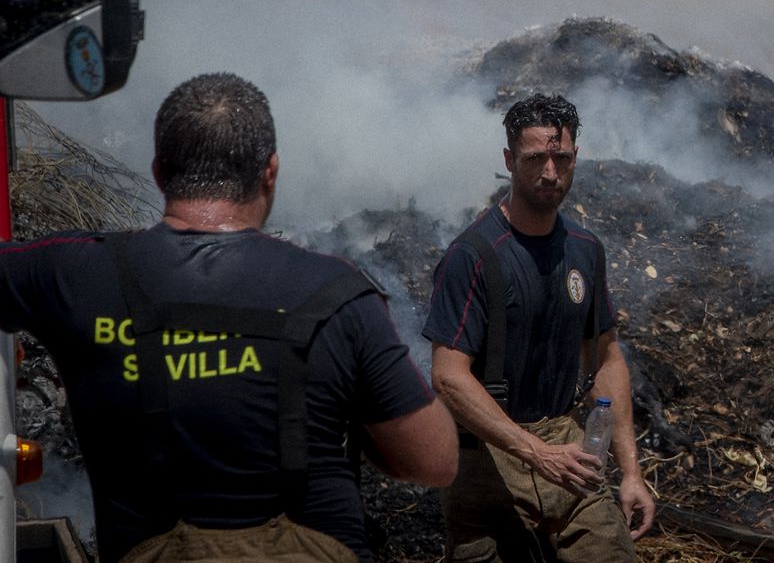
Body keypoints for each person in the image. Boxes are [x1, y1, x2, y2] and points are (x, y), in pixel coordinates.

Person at [0, 72, 457, 563]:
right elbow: (433, 462)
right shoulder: (337, 292)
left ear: (158, 171)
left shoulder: (74, 272)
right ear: (270, 171)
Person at [425, 93, 655, 563]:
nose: (550, 173)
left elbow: (606, 358)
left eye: (562, 158)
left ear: (575, 158)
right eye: (534, 159)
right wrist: (532, 450)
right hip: (487, 456)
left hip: (567, 449)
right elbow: (449, 377)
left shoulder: (585, 249)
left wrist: (630, 473)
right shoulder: (473, 256)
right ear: (509, 160)